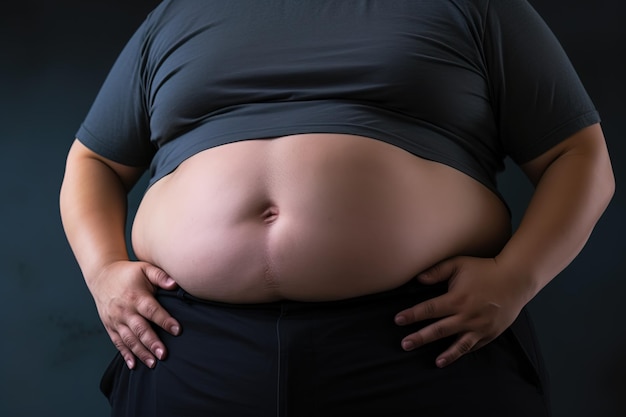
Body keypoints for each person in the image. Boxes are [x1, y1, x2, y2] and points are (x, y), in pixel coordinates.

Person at [60, 0, 614, 416]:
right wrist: (103, 271)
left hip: (420, 340)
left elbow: (579, 155)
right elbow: (93, 163)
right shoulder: (178, 15)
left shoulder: (475, 7)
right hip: (189, 342)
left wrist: (516, 277)